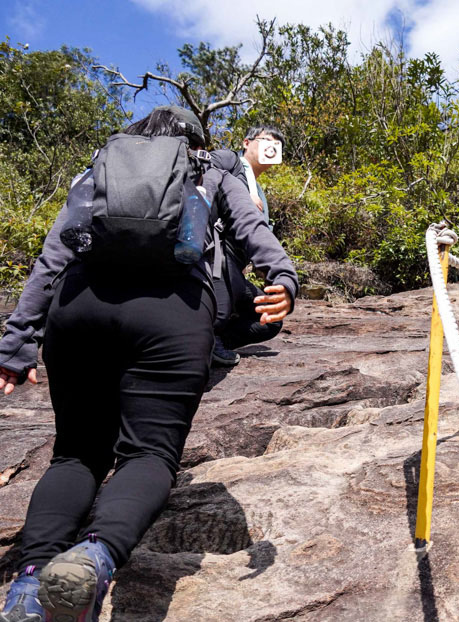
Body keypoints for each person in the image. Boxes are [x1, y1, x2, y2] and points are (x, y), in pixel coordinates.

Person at [0, 107, 298, 622]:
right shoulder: (211, 169)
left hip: (81, 307)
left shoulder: (99, 169)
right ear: (193, 141)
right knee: (148, 455)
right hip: (173, 312)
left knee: (74, 456)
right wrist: (283, 279)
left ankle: (27, 587)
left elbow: (54, 255)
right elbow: (251, 230)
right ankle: (95, 557)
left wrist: (18, 339)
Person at [209, 125, 286, 366]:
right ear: (246, 143)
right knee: (219, 312)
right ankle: (204, 340)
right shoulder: (228, 161)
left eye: (276, 146)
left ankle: (213, 342)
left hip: (234, 266)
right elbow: (199, 172)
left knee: (271, 318)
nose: (271, 148)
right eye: (265, 141)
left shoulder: (260, 191)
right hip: (212, 259)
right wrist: (237, 188)